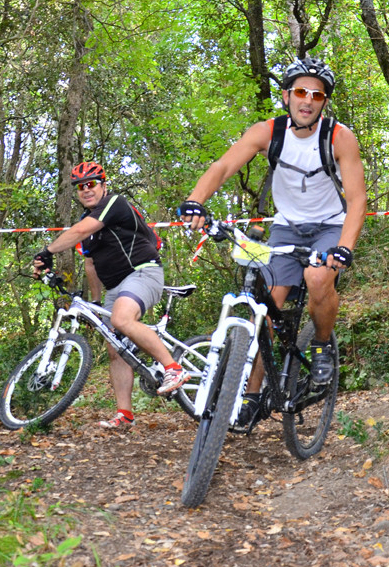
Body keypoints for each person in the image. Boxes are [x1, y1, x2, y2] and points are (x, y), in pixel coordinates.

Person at [178, 56, 366, 429]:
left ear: (324, 101)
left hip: (329, 225)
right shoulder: (267, 132)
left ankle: (320, 345)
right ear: (286, 96)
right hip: (286, 228)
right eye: (300, 91)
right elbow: (224, 166)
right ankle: (249, 394)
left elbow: (358, 199)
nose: (307, 100)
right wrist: (196, 200)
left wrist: (344, 246)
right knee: (268, 306)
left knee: (316, 279)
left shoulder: (339, 137)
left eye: (317, 94)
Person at [33, 161, 188, 429]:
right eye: (81, 187)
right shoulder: (86, 222)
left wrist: (47, 252)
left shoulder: (115, 203)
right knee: (116, 350)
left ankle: (173, 368)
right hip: (115, 288)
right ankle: (125, 414)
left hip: (143, 273)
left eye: (91, 184)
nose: (86, 190)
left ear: (103, 185)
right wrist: (94, 303)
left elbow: (80, 232)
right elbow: (90, 264)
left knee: (122, 319)